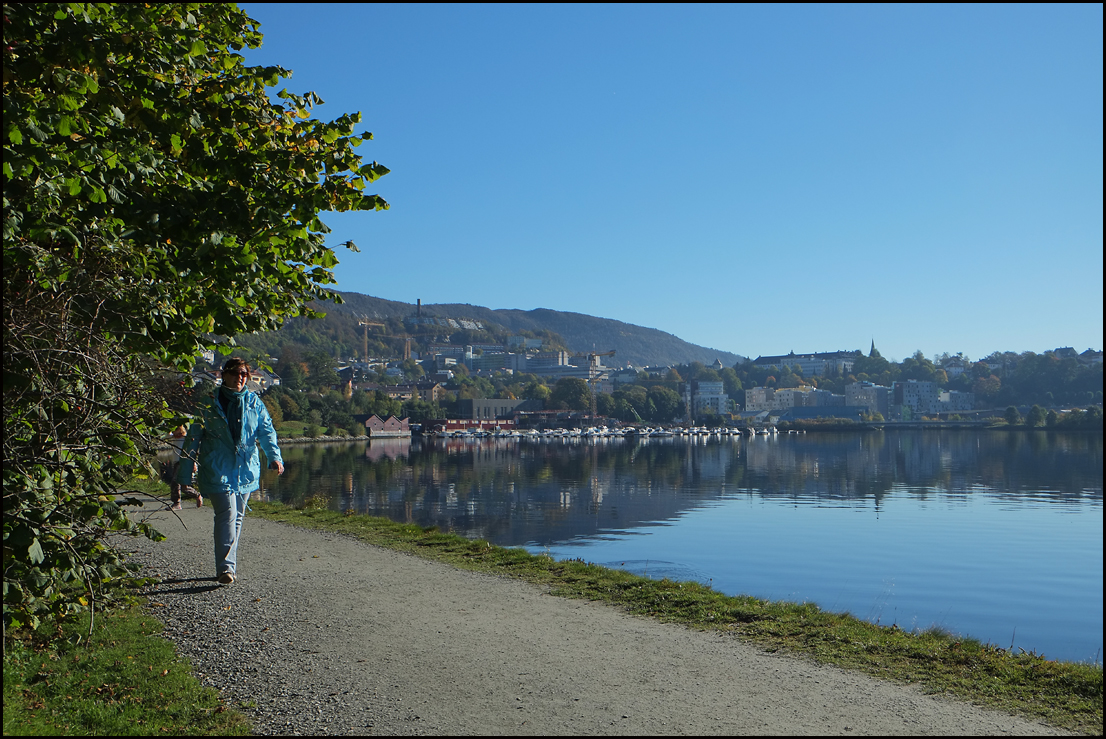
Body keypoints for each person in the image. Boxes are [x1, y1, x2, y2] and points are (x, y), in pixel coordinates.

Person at [178, 357, 284, 584]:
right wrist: (185, 476)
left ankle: (228, 566)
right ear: (224, 375)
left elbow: (266, 432)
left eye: (244, 374)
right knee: (227, 514)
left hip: (245, 469)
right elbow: (192, 440)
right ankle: (226, 568)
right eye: (236, 373)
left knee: (237, 517)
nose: (241, 378)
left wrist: (274, 457)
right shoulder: (208, 405)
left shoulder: (254, 402)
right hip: (217, 468)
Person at [167, 424, 202, 510]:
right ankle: (179, 501)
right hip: (176, 462)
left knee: (178, 483)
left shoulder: (186, 439)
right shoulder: (173, 438)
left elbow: (192, 451)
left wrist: (193, 464)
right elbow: (167, 434)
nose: (174, 433)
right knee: (180, 485)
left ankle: (178, 502)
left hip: (184, 462)